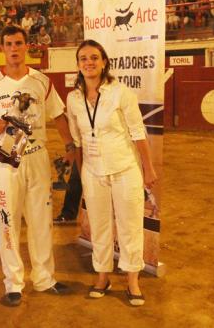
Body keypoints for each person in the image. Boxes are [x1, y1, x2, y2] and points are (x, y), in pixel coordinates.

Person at [0, 25, 75, 307]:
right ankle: (13, 283)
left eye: (19, 43)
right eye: (9, 43)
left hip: (37, 157)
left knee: (41, 220)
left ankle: (45, 278)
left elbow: (58, 115)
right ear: (2, 47)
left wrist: (69, 146)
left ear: (27, 46)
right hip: (6, 162)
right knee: (8, 220)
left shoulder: (42, 81)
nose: (14, 48)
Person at [65, 40, 157, 307]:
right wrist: (82, 174)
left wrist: (148, 168)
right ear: (78, 65)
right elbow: (78, 139)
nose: (89, 62)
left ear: (104, 61)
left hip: (125, 168)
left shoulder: (121, 93)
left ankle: (132, 280)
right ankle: (102, 276)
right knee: (100, 226)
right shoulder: (73, 99)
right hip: (93, 173)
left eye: (94, 57)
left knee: (129, 225)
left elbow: (138, 133)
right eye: (83, 58)